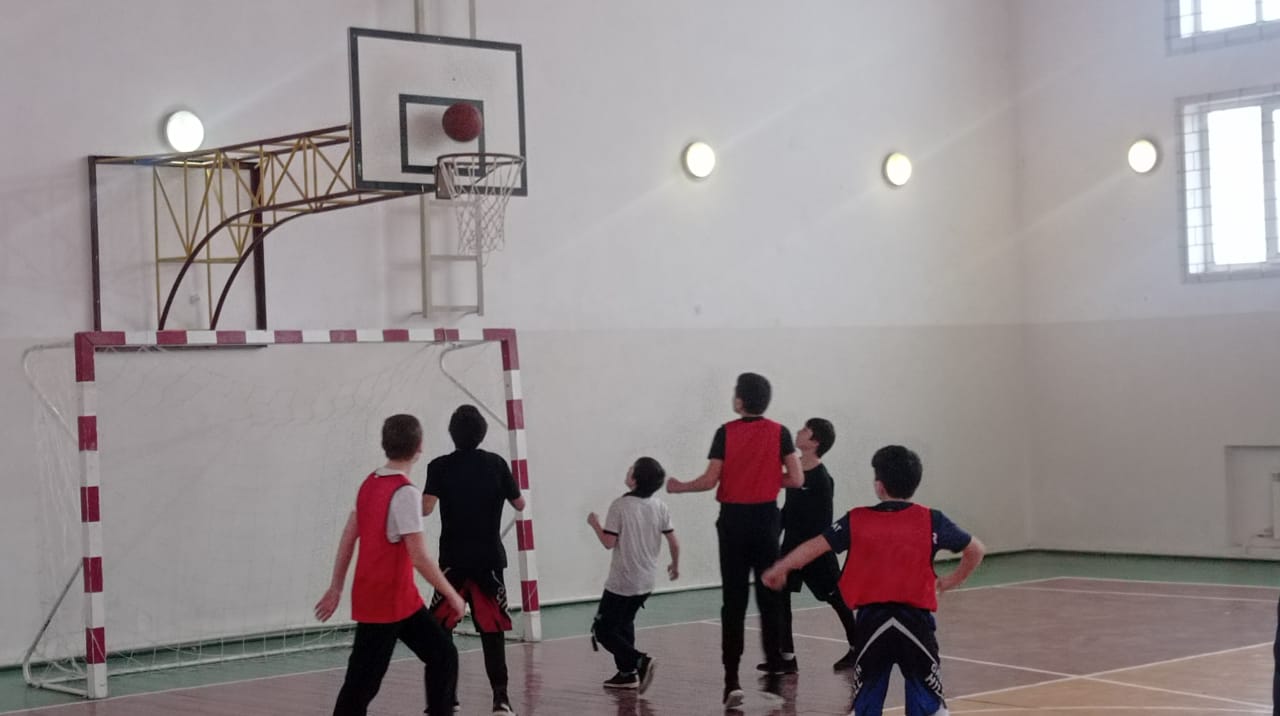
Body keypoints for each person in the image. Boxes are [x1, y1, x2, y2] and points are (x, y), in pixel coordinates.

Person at [762, 445, 986, 716]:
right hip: (916, 622)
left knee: (866, 704)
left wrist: (781, 567)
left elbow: (813, 547)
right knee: (928, 705)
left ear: (879, 486)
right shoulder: (932, 520)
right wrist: (950, 581)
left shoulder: (856, 519)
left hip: (872, 623)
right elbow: (976, 549)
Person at [666, 372, 805, 709]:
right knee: (770, 597)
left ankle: (732, 680)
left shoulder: (725, 432)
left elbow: (709, 480)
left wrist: (679, 486)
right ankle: (774, 675)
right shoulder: (780, 432)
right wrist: (768, 477)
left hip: (732, 522)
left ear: (740, 401)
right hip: (766, 521)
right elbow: (797, 478)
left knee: (734, 601)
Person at [314, 414, 465, 716]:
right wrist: (452, 594)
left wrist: (336, 586)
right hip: (384, 603)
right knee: (361, 686)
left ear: (385, 444)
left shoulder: (369, 483)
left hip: (400, 602)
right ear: (419, 446)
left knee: (443, 654)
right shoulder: (405, 493)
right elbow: (419, 557)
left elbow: (348, 537)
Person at [423, 404, 525, 715]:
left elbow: (425, 508)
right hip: (488, 561)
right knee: (492, 632)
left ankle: (446, 699)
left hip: (452, 564)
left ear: (451, 433)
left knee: (440, 632)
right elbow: (520, 504)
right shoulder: (496, 464)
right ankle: (501, 699)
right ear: (482, 433)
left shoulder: (439, 466)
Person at [766, 418, 858, 674]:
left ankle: (857, 647)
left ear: (815, 442)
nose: (799, 431)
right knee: (779, 597)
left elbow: (822, 522)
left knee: (836, 598)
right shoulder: (796, 472)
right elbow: (789, 510)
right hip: (791, 549)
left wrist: (806, 553)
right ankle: (787, 657)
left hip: (815, 553)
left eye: (805, 430)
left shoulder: (822, 479)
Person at [586, 457, 680, 692]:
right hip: (646, 581)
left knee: (603, 630)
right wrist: (675, 565)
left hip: (622, 581)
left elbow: (608, 542)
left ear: (636, 478)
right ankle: (627, 674)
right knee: (625, 623)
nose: (628, 469)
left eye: (632, 468)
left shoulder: (620, 506)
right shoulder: (659, 506)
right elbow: (673, 541)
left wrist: (595, 524)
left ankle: (640, 661)